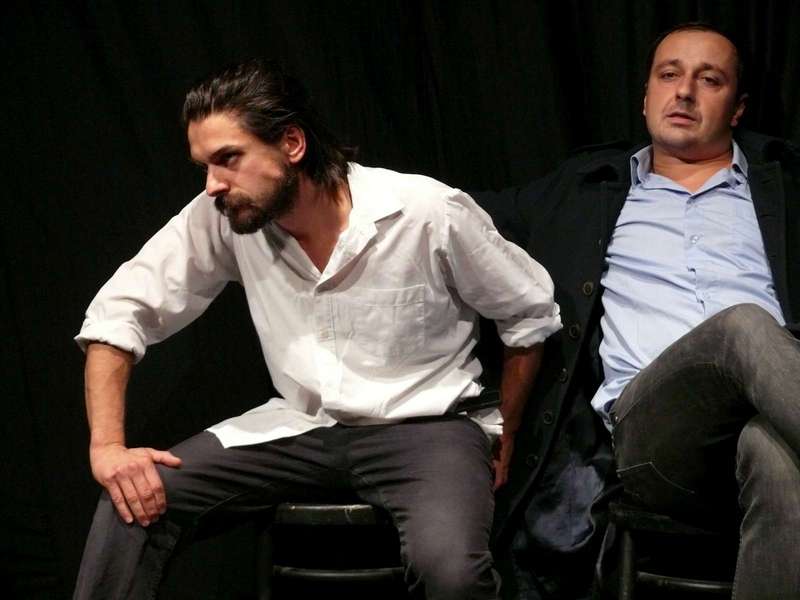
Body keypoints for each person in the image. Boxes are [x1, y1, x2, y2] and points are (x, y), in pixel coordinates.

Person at [72, 59, 562, 599]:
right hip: (299, 428)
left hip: (426, 428)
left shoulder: (425, 211)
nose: (212, 185)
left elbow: (529, 312)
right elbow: (118, 313)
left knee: (453, 573)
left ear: (292, 144)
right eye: (204, 166)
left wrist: (507, 430)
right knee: (132, 504)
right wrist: (108, 448)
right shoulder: (223, 217)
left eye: (228, 159)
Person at [476, 22, 800, 599]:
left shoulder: (787, 186)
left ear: (737, 108)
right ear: (646, 96)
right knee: (741, 324)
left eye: (709, 80)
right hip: (655, 437)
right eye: (669, 75)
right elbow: (455, 215)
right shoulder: (584, 189)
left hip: (773, 414)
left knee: (777, 460)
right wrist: (343, 185)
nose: (685, 92)